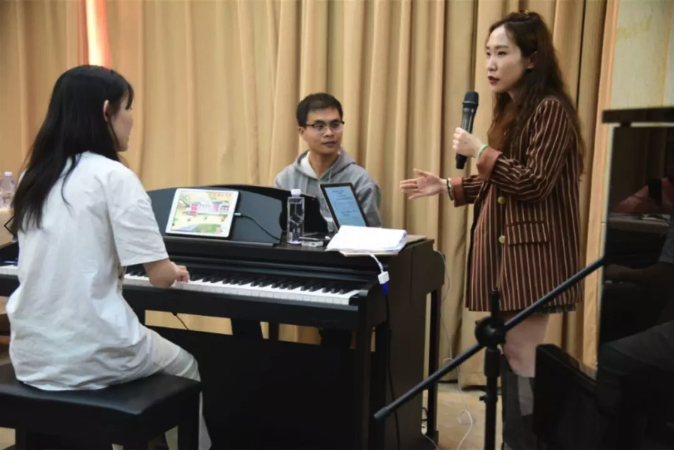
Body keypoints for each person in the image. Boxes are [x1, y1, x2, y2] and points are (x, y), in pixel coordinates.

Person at [400, 11, 584, 449]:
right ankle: (516, 441)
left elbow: (533, 182)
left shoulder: (550, 110)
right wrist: (446, 185)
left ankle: (525, 443)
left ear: (532, 59)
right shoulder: (513, 111)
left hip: (532, 255)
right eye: (488, 54)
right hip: (507, 253)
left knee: (522, 358)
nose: (491, 64)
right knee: (513, 357)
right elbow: (502, 179)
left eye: (502, 53)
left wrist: (479, 150)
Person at [7, 65, 211, 450]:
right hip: (92, 351)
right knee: (186, 366)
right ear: (106, 111)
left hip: (31, 353)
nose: (132, 119)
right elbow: (160, 277)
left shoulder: (37, 176)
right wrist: (174, 269)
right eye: (128, 107)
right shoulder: (114, 176)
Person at [274, 93, 382, 230]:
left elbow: (371, 237)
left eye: (335, 125)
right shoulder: (285, 180)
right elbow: (277, 232)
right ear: (302, 132)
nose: (329, 133)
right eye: (319, 126)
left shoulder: (361, 181)